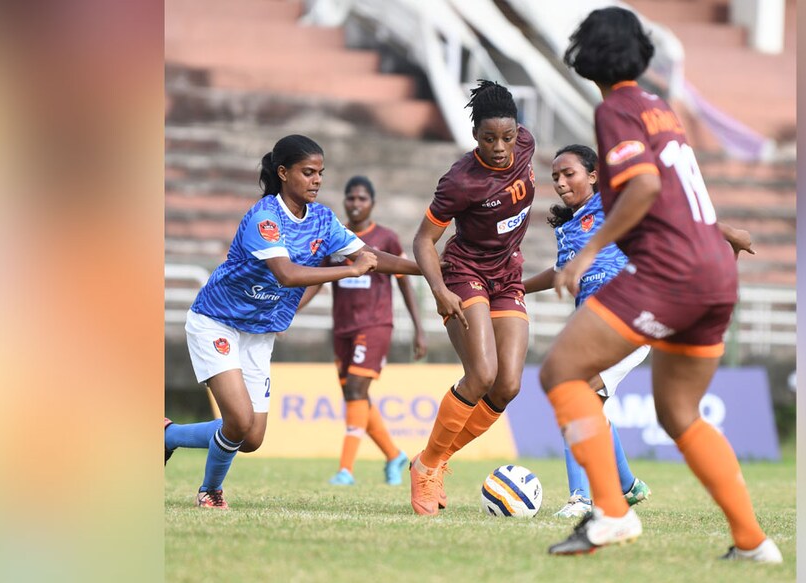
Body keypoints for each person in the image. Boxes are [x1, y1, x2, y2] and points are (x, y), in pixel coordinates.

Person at [542, 7, 782, 562]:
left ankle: (612, 512)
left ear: (584, 55)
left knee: (562, 372)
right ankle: (752, 542)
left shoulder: (616, 110)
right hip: (712, 274)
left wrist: (590, 252)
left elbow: (646, 187)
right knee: (678, 413)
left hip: (669, 272)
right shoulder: (659, 108)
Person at [164, 135, 421, 509]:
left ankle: (168, 437)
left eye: (320, 173)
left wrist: (430, 269)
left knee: (252, 437)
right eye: (308, 172)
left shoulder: (322, 219)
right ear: (283, 173)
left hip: (259, 333)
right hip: (217, 321)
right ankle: (210, 491)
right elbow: (286, 274)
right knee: (237, 421)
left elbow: (372, 255)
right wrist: (348, 269)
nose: (317, 180)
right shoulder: (265, 218)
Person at [407, 80, 537, 516]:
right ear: (474, 136)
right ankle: (426, 468)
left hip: (508, 276)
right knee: (481, 374)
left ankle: (433, 458)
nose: (501, 147)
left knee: (508, 385)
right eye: (488, 138)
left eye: (508, 136)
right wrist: (439, 290)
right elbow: (424, 241)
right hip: (466, 274)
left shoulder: (526, 146)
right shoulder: (461, 181)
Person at [522, 144, 652, 518]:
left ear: (593, 176)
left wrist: (724, 232)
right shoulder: (567, 227)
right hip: (593, 328)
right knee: (585, 402)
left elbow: (667, 214)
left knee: (573, 395)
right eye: (556, 177)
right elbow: (561, 273)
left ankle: (581, 498)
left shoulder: (614, 206)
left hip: (625, 319)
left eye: (569, 174)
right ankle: (627, 486)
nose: (561, 183)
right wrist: (516, 287)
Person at [298, 176, 427, 486]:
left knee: (356, 390)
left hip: (375, 323)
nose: (356, 204)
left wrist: (418, 328)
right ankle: (394, 455)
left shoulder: (386, 239)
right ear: (344, 201)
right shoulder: (334, 237)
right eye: (351, 198)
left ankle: (346, 469)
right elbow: (317, 280)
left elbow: (404, 282)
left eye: (362, 199)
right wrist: (290, 310)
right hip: (342, 327)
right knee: (355, 395)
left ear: (372, 203)